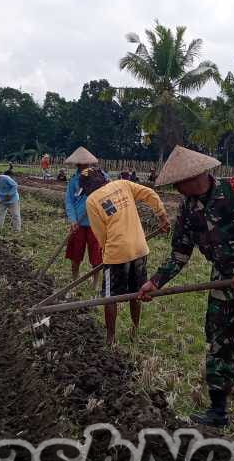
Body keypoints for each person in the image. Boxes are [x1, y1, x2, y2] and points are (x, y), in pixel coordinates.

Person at [137, 146, 234, 435]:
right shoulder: (187, 208)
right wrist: (156, 281)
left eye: (178, 183)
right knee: (218, 342)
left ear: (195, 177)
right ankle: (218, 411)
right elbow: (180, 252)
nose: (177, 189)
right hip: (222, 279)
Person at [80, 167, 170, 346]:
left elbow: (100, 234)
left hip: (116, 254)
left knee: (109, 297)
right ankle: (135, 331)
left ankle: (110, 338)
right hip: (139, 248)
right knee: (137, 292)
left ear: (87, 188)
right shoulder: (122, 184)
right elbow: (150, 194)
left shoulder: (91, 200)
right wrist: (162, 216)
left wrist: (107, 252)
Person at [63, 147, 106, 287]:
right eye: (81, 165)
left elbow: (108, 192)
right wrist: (73, 219)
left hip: (96, 222)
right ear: (77, 165)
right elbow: (69, 201)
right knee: (75, 253)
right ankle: (74, 280)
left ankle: (95, 283)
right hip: (78, 222)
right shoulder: (74, 180)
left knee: (96, 255)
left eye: (86, 164)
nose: (84, 167)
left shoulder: (100, 176)